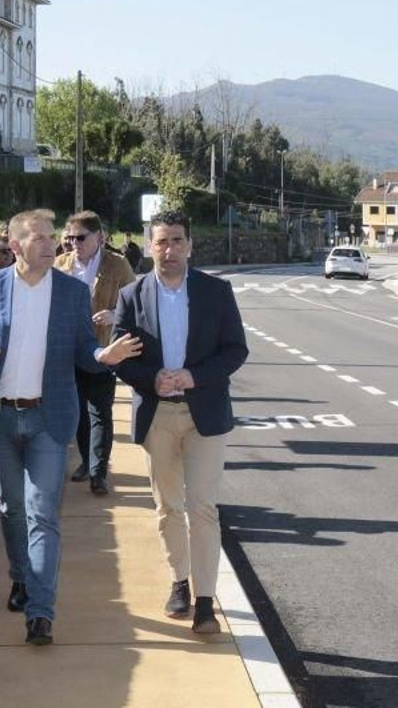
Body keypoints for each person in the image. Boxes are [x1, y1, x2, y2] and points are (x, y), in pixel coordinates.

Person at [0, 209, 144, 646]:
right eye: (39, 237)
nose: (51, 244)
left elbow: (83, 348)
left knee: (43, 514)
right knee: (12, 509)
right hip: (2, 415)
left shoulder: (71, 291)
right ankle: (20, 576)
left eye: (51, 236)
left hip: (49, 418)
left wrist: (102, 357)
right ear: (16, 246)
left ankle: (40, 613)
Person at [113, 209, 249, 635]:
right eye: (161, 241)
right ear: (149, 246)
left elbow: (235, 350)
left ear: (189, 245)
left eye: (176, 240)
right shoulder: (131, 296)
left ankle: (206, 602)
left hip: (204, 413)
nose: (169, 249)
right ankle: (179, 583)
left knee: (203, 506)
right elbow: (120, 358)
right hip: (158, 414)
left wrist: (194, 376)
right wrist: (150, 377)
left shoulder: (216, 292)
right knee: (168, 506)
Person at [55, 211, 136, 496]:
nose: (74, 243)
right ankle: (86, 461)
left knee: (100, 411)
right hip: (68, 350)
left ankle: (98, 473)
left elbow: (136, 301)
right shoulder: (60, 265)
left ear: (99, 237)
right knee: (76, 411)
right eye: (70, 238)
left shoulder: (118, 264)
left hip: (103, 348)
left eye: (81, 238)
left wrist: (114, 314)